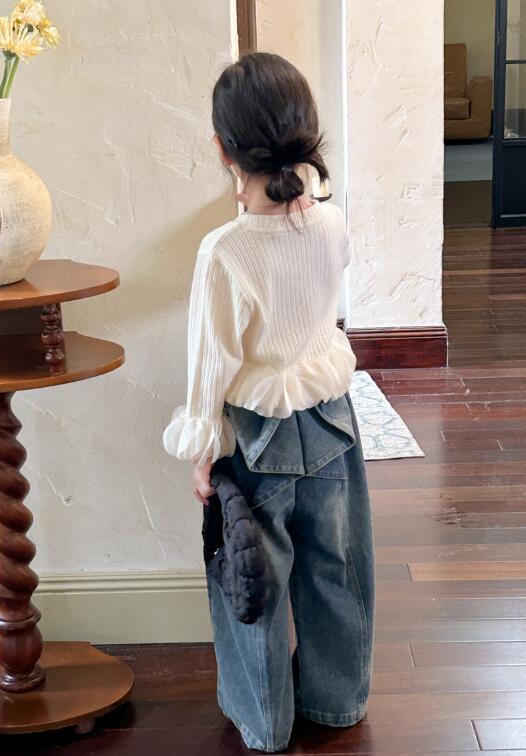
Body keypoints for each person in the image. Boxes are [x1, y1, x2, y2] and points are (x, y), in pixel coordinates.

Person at [163, 52, 375, 754]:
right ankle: (337, 702)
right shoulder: (332, 223)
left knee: (252, 582)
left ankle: (266, 722)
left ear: (222, 148)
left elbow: (210, 366)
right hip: (334, 422)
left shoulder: (224, 251)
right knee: (338, 569)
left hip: (258, 440)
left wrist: (202, 453)